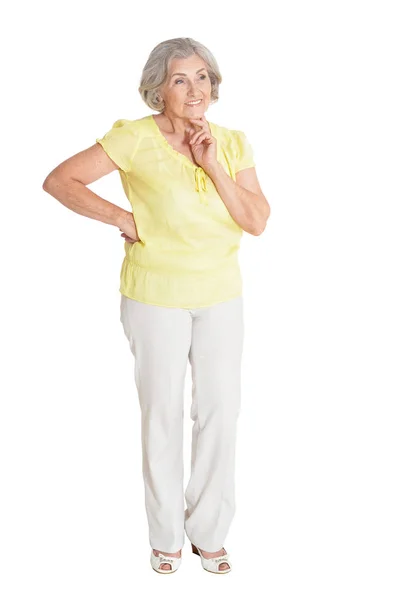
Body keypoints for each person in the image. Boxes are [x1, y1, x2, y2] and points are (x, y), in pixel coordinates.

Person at [42, 36, 270, 575]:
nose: (195, 90)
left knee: (220, 413)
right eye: (180, 79)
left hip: (220, 296)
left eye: (202, 78)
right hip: (154, 297)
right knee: (161, 414)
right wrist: (122, 219)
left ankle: (209, 531)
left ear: (214, 85)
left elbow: (257, 221)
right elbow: (59, 180)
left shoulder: (233, 143)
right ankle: (165, 533)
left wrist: (213, 165)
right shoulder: (134, 139)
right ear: (158, 90)